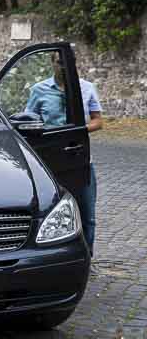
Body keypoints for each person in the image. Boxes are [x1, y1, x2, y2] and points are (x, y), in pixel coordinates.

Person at [25, 53, 103, 255]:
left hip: (80, 158)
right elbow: (29, 120)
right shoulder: (39, 90)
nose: (65, 67)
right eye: (60, 62)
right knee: (49, 213)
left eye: (69, 62)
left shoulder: (86, 88)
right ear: (52, 63)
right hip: (50, 161)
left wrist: (80, 130)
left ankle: (87, 258)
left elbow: (98, 121)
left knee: (87, 215)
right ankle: (52, 258)